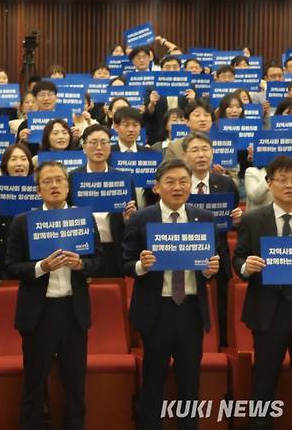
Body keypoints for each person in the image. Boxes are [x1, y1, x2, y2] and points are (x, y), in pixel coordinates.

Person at [122, 159, 220, 430]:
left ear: (191, 185)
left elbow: (214, 268)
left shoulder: (204, 218)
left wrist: (211, 271)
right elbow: (125, 263)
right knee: (153, 381)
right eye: (170, 181)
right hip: (156, 311)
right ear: (157, 187)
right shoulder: (142, 218)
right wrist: (142, 264)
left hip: (190, 311)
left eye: (183, 181)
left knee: (190, 382)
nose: (177, 187)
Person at [6, 161, 103, 430]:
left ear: (68, 185)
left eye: (59, 180)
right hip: (39, 314)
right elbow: (11, 267)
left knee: (75, 386)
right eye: (47, 181)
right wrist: (41, 267)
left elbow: (99, 261)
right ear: (38, 190)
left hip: (74, 312)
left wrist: (82, 264)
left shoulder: (83, 218)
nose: (54, 185)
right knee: (34, 386)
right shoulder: (24, 222)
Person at [232, 155, 292, 430]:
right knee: (264, 381)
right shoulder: (254, 219)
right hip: (268, 313)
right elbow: (238, 259)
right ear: (269, 183)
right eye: (282, 179)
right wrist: (246, 266)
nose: (289, 185)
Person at [182, 131, 242, 346]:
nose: (201, 155)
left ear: (213, 152)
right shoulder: (179, 184)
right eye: (195, 150)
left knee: (221, 309)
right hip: (184, 257)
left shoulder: (225, 183)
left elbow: (232, 218)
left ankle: (222, 347)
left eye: (205, 149)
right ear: (185, 155)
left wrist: (237, 221)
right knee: (186, 310)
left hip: (219, 258)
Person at [70, 125, 137, 277]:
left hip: (115, 249)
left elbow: (132, 222)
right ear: (84, 146)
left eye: (104, 142)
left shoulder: (123, 178)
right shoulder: (72, 178)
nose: (99, 147)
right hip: (84, 251)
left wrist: (129, 219)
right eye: (93, 142)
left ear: (110, 146)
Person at [0, 143, 34, 279]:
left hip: (30, 261)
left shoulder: (39, 191)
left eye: (23, 158)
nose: (19, 163)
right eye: (13, 159)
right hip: (0, 262)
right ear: (5, 166)